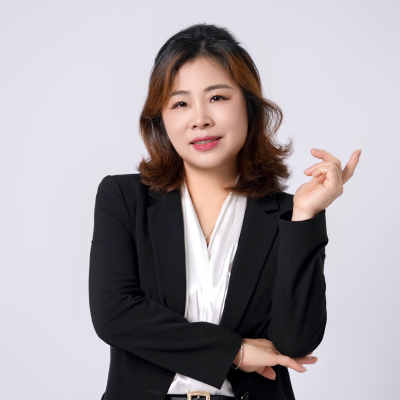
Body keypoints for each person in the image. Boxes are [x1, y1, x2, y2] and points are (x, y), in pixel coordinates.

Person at [89, 23, 361, 400]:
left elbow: (294, 342)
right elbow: (115, 315)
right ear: (161, 118)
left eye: (217, 97)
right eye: (180, 103)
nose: (200, 118)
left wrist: (305, 216)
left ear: (249, 105)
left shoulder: (285, 214)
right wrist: (235, 351)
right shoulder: (123, 197)